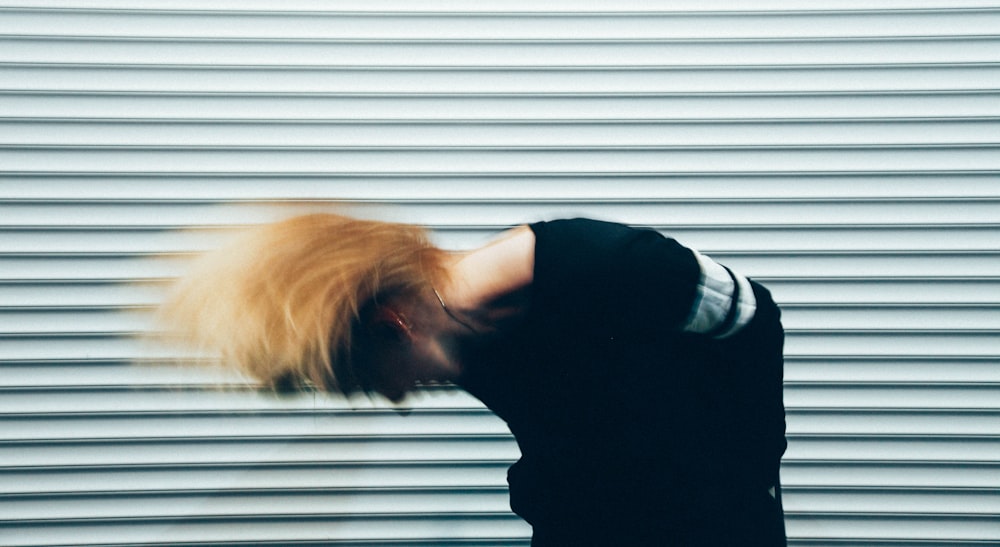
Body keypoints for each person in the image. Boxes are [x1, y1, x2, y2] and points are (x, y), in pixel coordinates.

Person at [159, 212, 787, 546]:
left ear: (392, 326)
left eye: (376, 382)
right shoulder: (458, 338)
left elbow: (756, 318)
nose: (399, 399)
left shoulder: (610, 267)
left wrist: (738, 483)